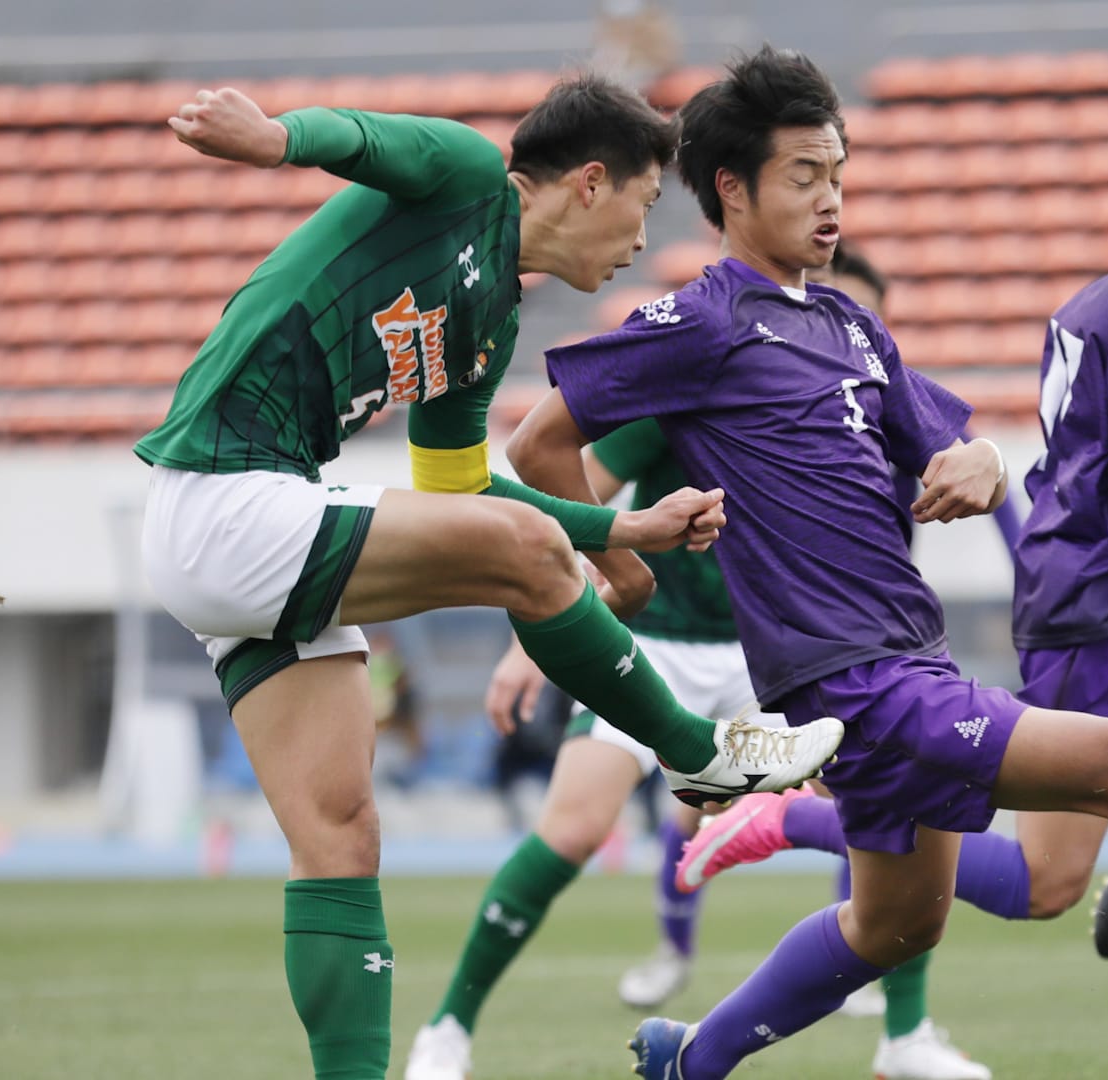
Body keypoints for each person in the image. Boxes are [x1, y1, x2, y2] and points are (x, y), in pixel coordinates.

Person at [507, 47, 1108, 1080]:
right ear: (731, 188)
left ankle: (692, 1059)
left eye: (838, 174)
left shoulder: (850, 324)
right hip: (847, 675)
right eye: (804, 176)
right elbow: (539, 445)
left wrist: (976, 462)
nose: (830, 198)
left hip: (908, 658)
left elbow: (950, 453)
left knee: (895, 929)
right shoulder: (700, 318)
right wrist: (616, 563)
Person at [132, 76, 842, 1080]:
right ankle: (697, 755)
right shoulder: (469, 179)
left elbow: (462, 485)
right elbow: (365, 138)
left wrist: (620, 526)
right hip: (227, 499)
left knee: (341, 841)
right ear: (589, 183)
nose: (641, 241)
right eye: (643, 206)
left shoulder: (493, 324)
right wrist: (271, 139)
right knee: (527, 554)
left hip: (252, 529)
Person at [677, 84, 1108, 1080]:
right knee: (1048, 882)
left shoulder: (1104, 300)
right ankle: (789, 818)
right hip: (1091, 609)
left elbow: (1086, 464)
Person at [405, 245, 991, 1080]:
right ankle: (449, 1027)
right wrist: (530, 638)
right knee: (572, 828)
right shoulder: (695, 380)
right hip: (659, 647)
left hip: (785, 656)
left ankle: (905, 1035)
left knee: (896, 804)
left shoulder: (867, 407)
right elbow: (572, 497)